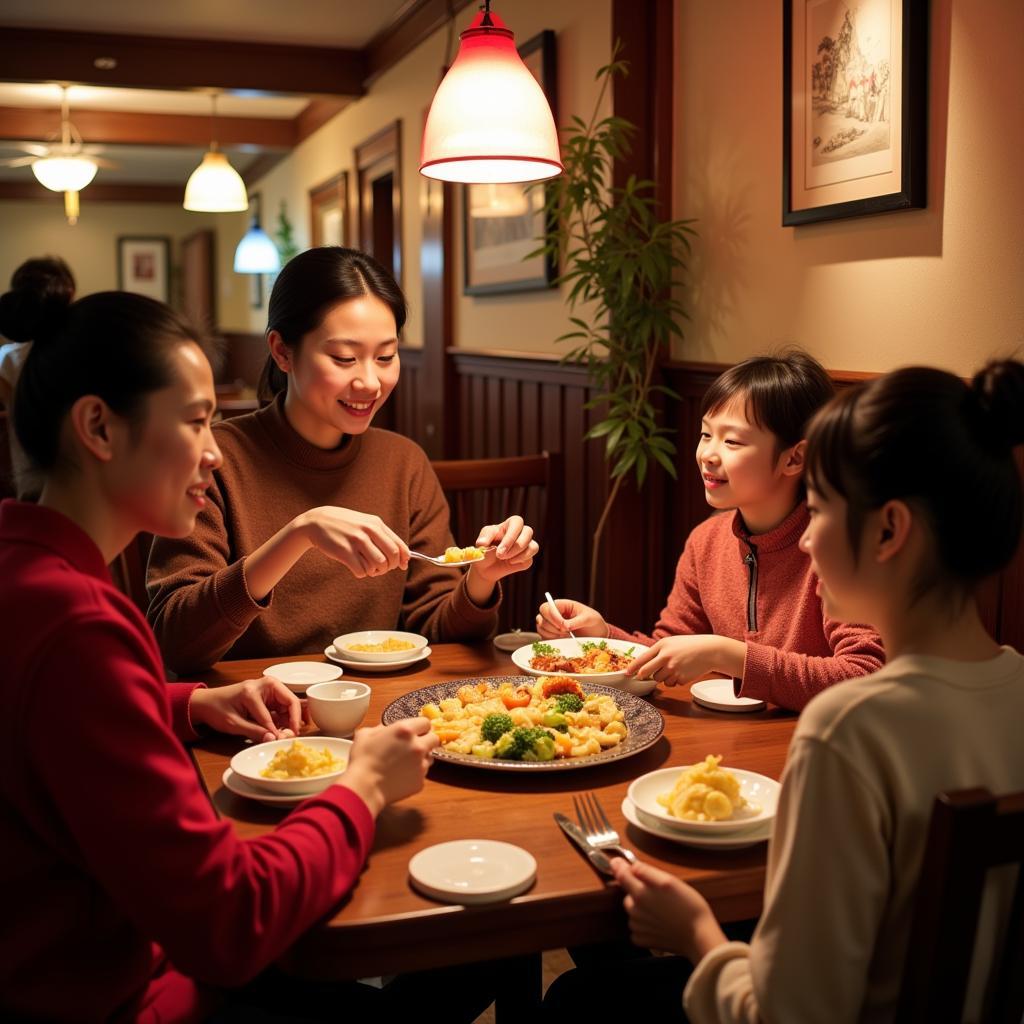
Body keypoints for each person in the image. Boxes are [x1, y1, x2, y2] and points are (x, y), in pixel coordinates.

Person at [0, 291, 467, 1021]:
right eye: (194, 422)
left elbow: (49, 719)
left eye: (384, 356)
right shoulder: (78, 626)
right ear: (98, 426)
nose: (214, 450)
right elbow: (229, 921)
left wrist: (184, 703)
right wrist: (364, 789)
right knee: (470, 959)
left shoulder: (26, 572)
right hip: (124, 994)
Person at [545, 359, 1024, 1023]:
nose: (802, 535)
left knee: (577, 999)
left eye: (820, 509)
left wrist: (696, 934)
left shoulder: (848, 731)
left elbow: (788, 1012)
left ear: (889, 530)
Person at [147, 246, 538, 673]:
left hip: (378, 712)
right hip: (253, 720)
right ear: (282, 351)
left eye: (386, 357)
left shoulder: (403, 463)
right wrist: (299, 534)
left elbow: (439, 632)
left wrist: (481, 579)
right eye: (344, 358)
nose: (370, 382)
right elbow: (175, 641)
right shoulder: (214, 460)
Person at [537, 351, 884, 711]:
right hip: (731, 746)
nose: (708, 454)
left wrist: (730, 655)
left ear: (794, 458)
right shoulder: (707, 540)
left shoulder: (836, 547)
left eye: (732, 441)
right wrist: (602, 636)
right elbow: (670, 646)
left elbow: (865, 675)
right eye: (706, 434)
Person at [0, 255, 76, 497]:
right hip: (77, 492)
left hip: (20, 492)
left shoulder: (5, 360)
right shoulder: (84, 355)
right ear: (69, 296)